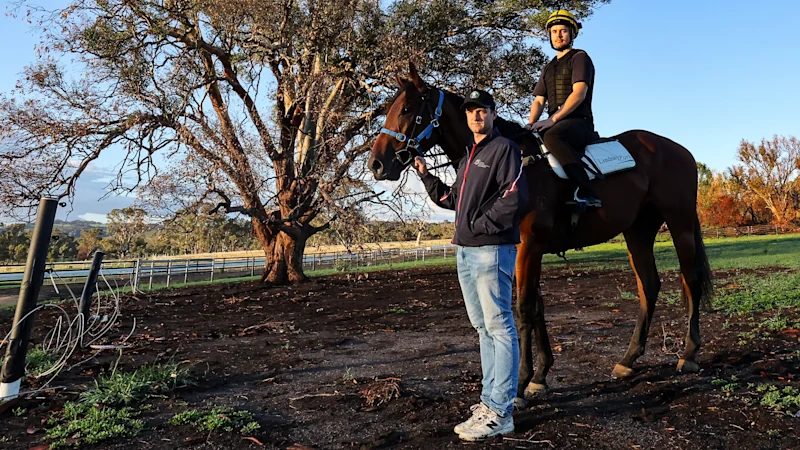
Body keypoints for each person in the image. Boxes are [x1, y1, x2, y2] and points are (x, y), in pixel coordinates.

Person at [413, 89, 527, 441]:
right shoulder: (468, 158)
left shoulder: (504, 149)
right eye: (472, 111)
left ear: (493, 115)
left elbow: (513, 197)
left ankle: (501, 411)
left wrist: (477, 226)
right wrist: (424, 174)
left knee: (500, 327)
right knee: (482, 328)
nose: (477, 116)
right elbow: (453, 199)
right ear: (465, 117)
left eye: (483, 110)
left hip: (491, 251)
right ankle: (488, 402)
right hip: (465, 252)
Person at [526, 9, 602, 207]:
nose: (558, 35)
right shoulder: (548, 67)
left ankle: (587, 192)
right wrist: (530, 124)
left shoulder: (580, 57)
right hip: (556, 122)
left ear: (572, 33)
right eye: (554, 31)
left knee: (552, 136)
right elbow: (539, 100)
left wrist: (552, 119)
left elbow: (579, 93)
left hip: (579, 122)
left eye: (563, 31)